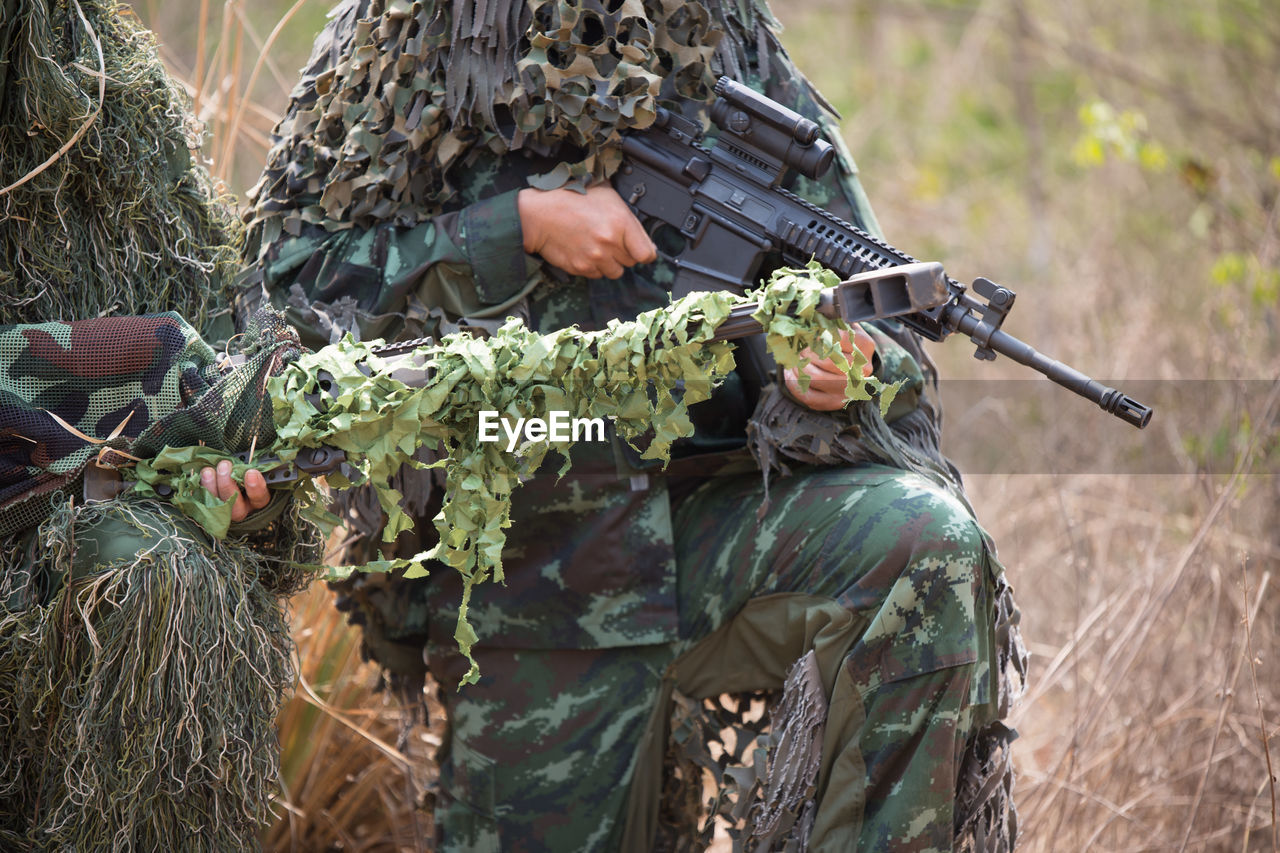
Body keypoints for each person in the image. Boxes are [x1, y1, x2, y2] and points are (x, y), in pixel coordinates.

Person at [241, 1, 1027, 850]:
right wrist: (516, 230)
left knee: (926, 543)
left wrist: (844, 368)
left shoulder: (718, 34)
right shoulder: (405, 36)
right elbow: (280, 283)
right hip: (521, 566)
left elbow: (875, 298)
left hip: (717, 525)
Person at [0, 3, 316, 849]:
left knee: (169, 575)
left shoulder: (120, 112)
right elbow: (174, 363)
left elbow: (237, 382)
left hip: (123, 626)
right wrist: (130, 365)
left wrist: (243, 489)